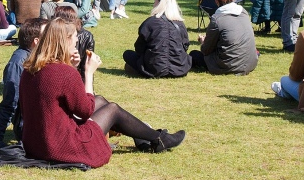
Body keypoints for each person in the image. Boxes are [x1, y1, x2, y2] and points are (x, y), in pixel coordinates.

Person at [19, 17, 185, 168]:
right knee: (112, 109)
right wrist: (88, 73)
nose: (77, 43)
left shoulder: (30, 68)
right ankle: (160, 139)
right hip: (60, 147)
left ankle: (144, 137)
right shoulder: (64, 72)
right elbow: (85, 111)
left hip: (35, 143)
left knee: (101, 101)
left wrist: (72, 67)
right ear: (65, 40)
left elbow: (58, 100)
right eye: (74, 39)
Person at [0, 18, 48, 149]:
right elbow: (10, 103)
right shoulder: (18, 62)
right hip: (27, 127)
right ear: (36, 42)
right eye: (47, 35)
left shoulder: (39, 57)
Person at [190, 0, 258, 75]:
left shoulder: (217, 19)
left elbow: (206, 50)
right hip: (250, 63)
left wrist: (203, 42)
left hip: (228, 66)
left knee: (194, 54)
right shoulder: (244, 13)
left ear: (216, 1)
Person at [123, 0, 191, 78]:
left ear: (159, 3)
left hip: (154, 68)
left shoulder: (150, 22)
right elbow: (185, 46)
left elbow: (139, 48)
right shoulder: (180, 24)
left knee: (127, 54)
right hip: (179, 69)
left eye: (155, 1)